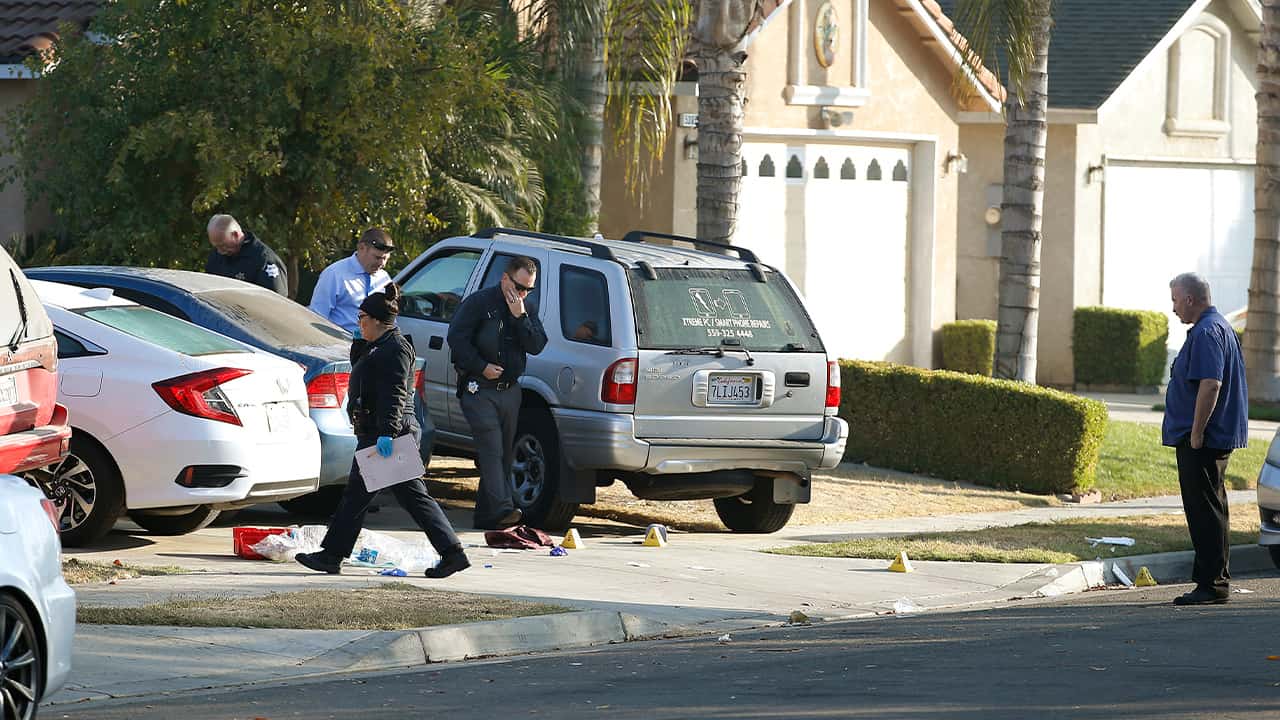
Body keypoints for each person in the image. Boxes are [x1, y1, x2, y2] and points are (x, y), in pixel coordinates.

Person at [295, 283, 470, 579]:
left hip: (387, 435)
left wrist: (387, 433)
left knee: (404, 497)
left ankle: (452, 553)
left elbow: (396, 394)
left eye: (362, 318)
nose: (358, 323)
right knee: (366, 496)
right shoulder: (378, 345)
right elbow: (363, 372)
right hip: (375, 432)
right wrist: (358, 345)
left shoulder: (396, 348)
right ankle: (332, 555)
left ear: (377, 320)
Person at [1162, 272, 1248, 606]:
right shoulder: (1217, 327)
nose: (1173, 308)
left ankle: (1212, 583)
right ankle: (1214, 579)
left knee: (1204, 510)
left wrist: (1196, 433)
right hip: (1208, 436)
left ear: (1190, 298)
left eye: (1175, 300)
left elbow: (1211, 384)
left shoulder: (1208, 332)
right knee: (1212, 506)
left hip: (1203, 438)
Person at [447, 256, 548, 530]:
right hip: (479, 389)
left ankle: (486, 515)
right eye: (519, 286)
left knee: (502, 454)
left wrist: (521, 318)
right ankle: (503, 508)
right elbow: (456, 339)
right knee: (490, 448)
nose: (523, 294)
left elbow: (537, 345)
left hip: (510, 391)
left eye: (529, 289)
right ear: (505, 279)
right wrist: (480, 366)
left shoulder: (526, 308)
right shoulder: (479, 303)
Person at [309, 228, 395, 335]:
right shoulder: (334, 274)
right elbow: (316, 317)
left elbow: (389, 320)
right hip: (339, 345)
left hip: (374, 347)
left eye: (385, 258)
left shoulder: (384, 278)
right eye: (377, 258)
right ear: (361, 248)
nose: (382, 264)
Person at [204, 214, 288, 296]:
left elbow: (276, 301)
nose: (219, 251)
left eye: (222, 245)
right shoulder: (216, 257)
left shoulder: (264, 259)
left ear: (235, 235)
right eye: (216, 247)